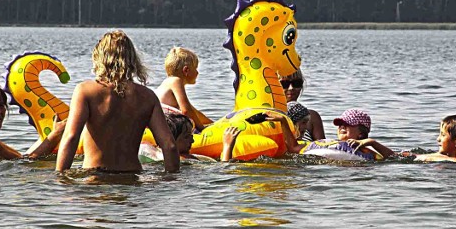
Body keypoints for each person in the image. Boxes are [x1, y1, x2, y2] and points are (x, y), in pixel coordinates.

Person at [56, 29, 179, 173]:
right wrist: (170, 180)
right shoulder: (147, 96)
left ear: (99, 58)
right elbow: (169, 144)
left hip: (95, 177)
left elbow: (71, 137)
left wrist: (61, 178)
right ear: (133, 60)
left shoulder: (85, 91)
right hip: (132, 177)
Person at [265, 108, 395, 160]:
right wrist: (283, 121)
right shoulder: (321, 143)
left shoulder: (366, 151)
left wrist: (372, 142)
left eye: (348, 124)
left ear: (361, 134)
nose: (342, 126)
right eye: (340, 124)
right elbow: (293, 148)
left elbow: (394, 157)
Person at [155, 47, 213, 131]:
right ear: (186, 70)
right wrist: (202, 129)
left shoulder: (167, 82)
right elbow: (186, 111)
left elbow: (194, 112)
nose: (197, 72)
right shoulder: (175, 81)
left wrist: (213, 123)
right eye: (195, 68)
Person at [154, 112, 241, 161]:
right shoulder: (183, 160)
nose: (192, 141)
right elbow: (223, 171)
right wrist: (228, 146)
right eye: (186, 136)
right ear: (170, 140)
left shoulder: (157, 154)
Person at [278, 69, 325, 140]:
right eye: (284, 84)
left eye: (297, 83)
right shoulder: (269, 116)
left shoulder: (312, 116)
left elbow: (322, 148)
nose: (291, 88)